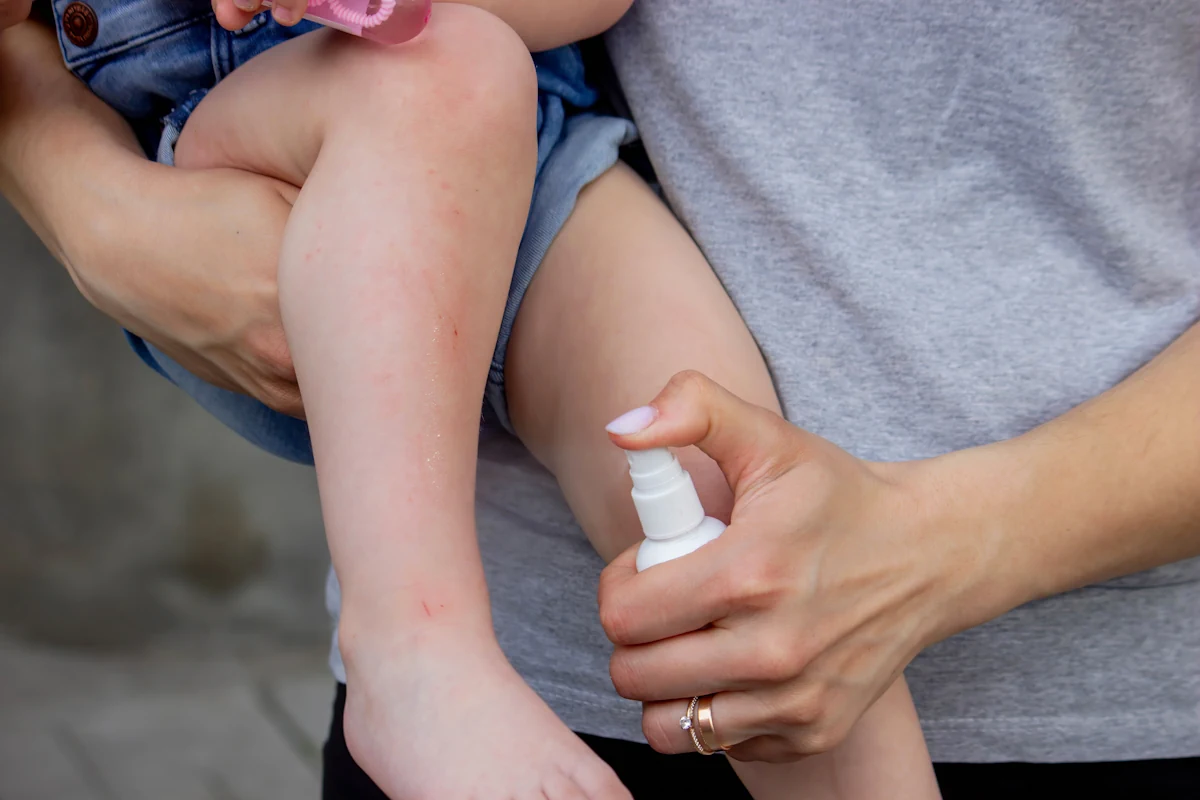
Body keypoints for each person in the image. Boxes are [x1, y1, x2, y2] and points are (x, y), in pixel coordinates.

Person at [8, 1, 1198, 798]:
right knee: (447, 72)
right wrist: (84, 200)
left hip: (530, 143)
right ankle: (415, 648)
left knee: (724, 513)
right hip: (283, 139)